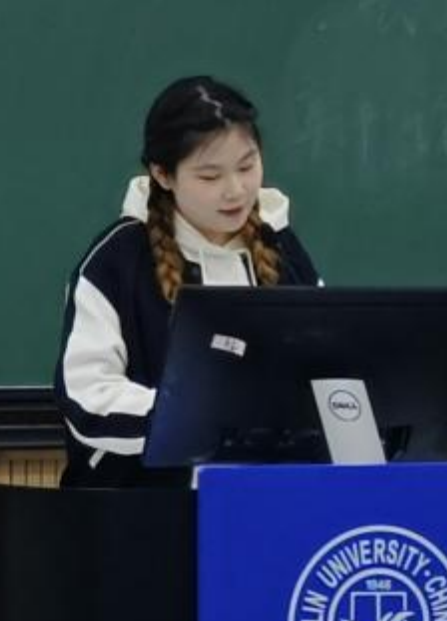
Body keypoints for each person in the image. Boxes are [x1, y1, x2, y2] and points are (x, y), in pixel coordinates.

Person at [53, 76, 320, 487]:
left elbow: (327, 365)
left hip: (267, 500)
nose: (235, 190)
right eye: (210, 177)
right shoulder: (117, 262)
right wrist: (203, 418)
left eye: (247, 166)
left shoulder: (282, 249)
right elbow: (88, 396)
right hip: (141, 507)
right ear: (163, 174)